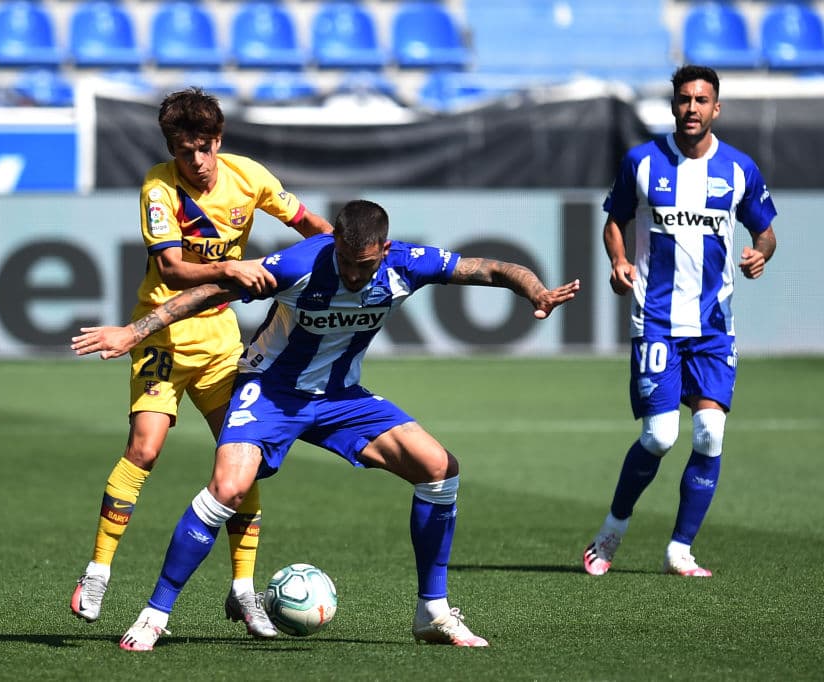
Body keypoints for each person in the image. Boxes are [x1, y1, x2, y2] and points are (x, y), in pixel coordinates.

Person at [71, 199, 581, 651]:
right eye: (345, 261)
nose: (353, 275)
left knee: (439, 468)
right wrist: (133, 331)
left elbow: (489, 269)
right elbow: (210, 291)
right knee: (227, 487)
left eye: (364, 265)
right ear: (333, 241)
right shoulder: (299, 264)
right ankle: (156, 613)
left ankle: (433, 611)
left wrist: (534, 290)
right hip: (270, 390)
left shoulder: (407, 264)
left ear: (383, 249)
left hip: (340, 397)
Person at [70, 87, 333, 637]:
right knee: (144, 448)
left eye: (204, 147)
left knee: (242, 456)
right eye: (184, 150)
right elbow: (169, 268)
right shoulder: (158, 186)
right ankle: (98, 570)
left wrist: (343, 259)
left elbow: (314, 227)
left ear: (219, 141)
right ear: (171, 146)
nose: (196, 161)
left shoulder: (249, 176)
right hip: (163, 337)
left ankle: (243, 590)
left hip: (220, 344)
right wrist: (235, 270)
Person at [581, 65, 778, 578]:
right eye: (684, 99)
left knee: (710, 433)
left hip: (713, 325)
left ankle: (680, 550)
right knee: (661, 437)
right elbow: (614, 223)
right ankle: (611, 531)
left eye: (702, 100)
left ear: (717, 108)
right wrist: (619, 262)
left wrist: (760, 253)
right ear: (673, 106)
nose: (692, 108)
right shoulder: (641, 162)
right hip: (658, 321)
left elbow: (766, 231)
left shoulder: (738, 169)